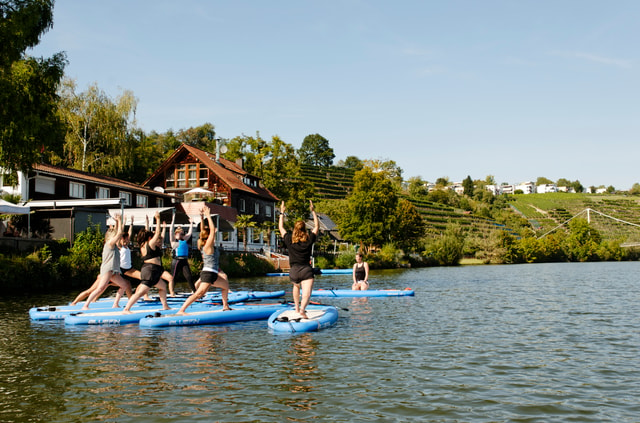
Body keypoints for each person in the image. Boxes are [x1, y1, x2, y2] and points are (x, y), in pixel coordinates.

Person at [176, 206, 231, 314]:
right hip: (208, 273)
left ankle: (225, 306)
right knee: (199, 294)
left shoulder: (205, 243)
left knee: (225, 285)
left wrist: (202, 218)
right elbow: (211, 232)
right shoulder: (207, 246)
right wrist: (208, 216)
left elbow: (203, 231)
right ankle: (181, 310)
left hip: (213, 273)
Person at [122, 211, 170, 313]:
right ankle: (127, 309)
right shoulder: (149, 244)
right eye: (151, 237)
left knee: (163, 287)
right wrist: (158, 220)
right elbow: (157, 233)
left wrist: (148, 222)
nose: (154, 238)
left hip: (154, 270)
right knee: (140, 292)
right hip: (150, 270)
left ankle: (165, 306)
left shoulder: (143, 244)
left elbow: (148, 232)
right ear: (149, 238)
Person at [81, 215, 132, 310]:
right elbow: (119, 233)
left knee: (124, 285)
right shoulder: (110, 244)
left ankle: (115, 304)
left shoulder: (114, 244)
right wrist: (120, 220)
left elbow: (118, 232)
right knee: (100, 288)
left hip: (114, 270)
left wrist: (118, 222)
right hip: (108, 269)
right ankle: (86, 305)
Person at [278, 200, 319, 319]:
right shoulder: (309, 239)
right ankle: (302, 310)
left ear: (294, 229)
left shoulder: (289, 239)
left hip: (294, 270)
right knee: (306, 292)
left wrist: (282, 212)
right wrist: (313, 211)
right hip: (306, 269)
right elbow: (317, 226)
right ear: (305, 229)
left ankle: (296, 308)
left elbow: (280, 227)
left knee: (296, 287)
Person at [170, 214, 195, 295]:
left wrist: (191, 223)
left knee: (189, 276)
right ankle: (171, 292)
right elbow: (171, 230)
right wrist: (173, 220)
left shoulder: (184, 239)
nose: (182, 235)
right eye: (180, 234)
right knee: (174, 277)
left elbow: (190, 232)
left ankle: (194, 291)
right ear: (176, 234)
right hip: (176, 260)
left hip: (184, 260)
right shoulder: (174, 240)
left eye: (183, 234)